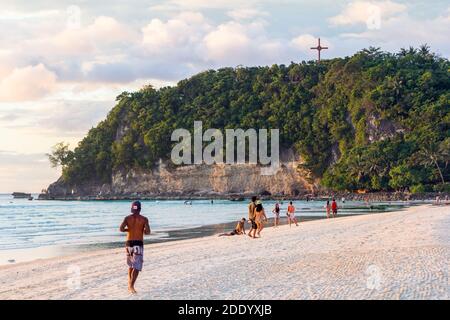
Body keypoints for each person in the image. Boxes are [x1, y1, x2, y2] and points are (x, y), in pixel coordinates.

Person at [119, 201, 151, 294]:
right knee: (136, 266)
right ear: (140, 209)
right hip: (138, 243)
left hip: (129, 243)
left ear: (132, 208)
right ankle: (131, 286)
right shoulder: (144, 219)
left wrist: (128, 229)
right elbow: (148, 232)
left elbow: (121, 229)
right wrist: (142, 230)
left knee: (131, 264)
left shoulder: (127, 218)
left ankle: (130, 284)